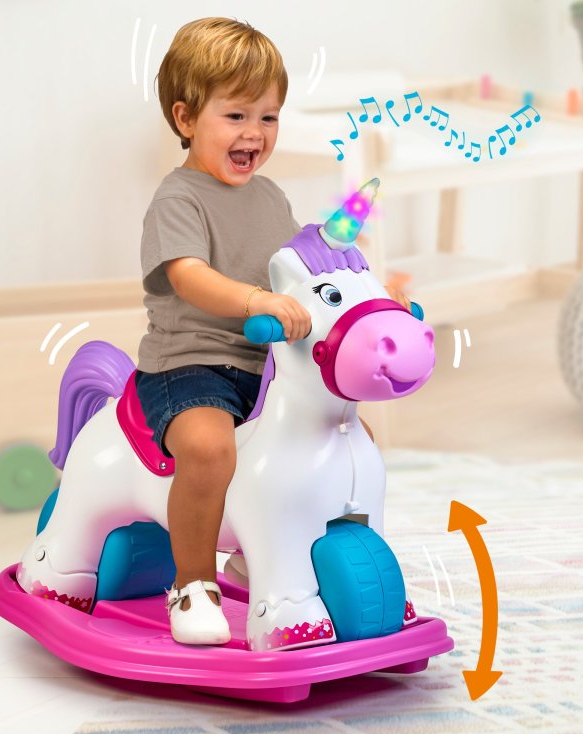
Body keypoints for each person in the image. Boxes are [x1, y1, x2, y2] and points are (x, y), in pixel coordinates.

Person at [135, 17, 397, 645]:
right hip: (190, 366)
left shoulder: (272, 197)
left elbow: (301, 270)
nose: (254, 132)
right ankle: (193, 582)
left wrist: (368, 291)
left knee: (342, 438)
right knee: (210, 450)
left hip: (266, 368)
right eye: (236, 116)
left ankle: (268, 555)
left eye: (268, 117)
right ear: (185, 118)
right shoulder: (179, 199)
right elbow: (188, 275)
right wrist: (256, 298)